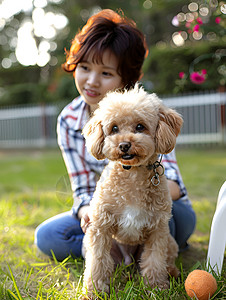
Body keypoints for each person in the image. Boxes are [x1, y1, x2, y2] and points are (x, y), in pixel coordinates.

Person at [35, 9, 196, 262]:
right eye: (84, 67)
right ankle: (119, 253)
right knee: (48, 236)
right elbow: (83, 188)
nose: (91, 81)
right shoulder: (68, 119)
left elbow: (173, 183)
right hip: (110, 211)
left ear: (126, 78)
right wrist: (91, 210)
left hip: (163, 206)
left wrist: (138, 195)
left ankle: (146, 253)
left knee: (167, 224)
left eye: (106, 73)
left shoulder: (148, 112)